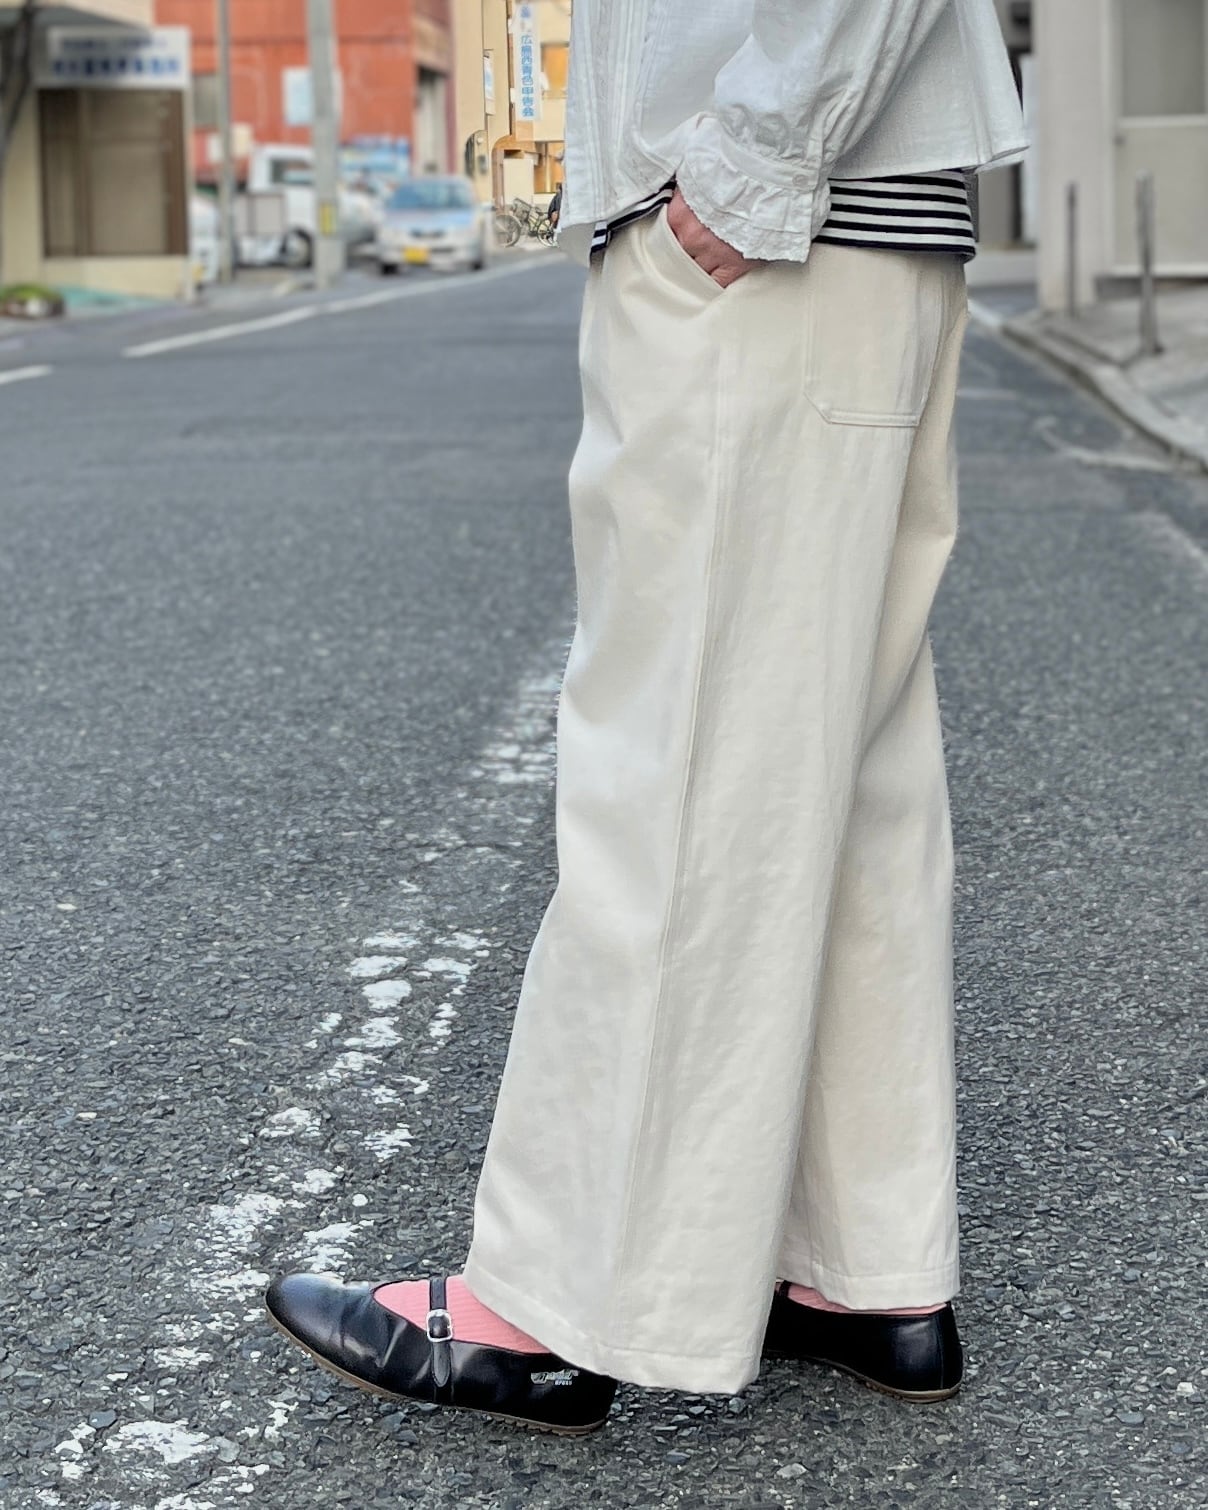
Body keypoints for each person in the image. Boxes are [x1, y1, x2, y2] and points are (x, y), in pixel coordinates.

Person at [266, 0, 1027, 1435]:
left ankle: (563, 1305)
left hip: (772, 222)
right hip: (860, 223)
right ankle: (866, 1263)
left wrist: (747, 164)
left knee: (676, 769)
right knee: (841, 777)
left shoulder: (755, 182)